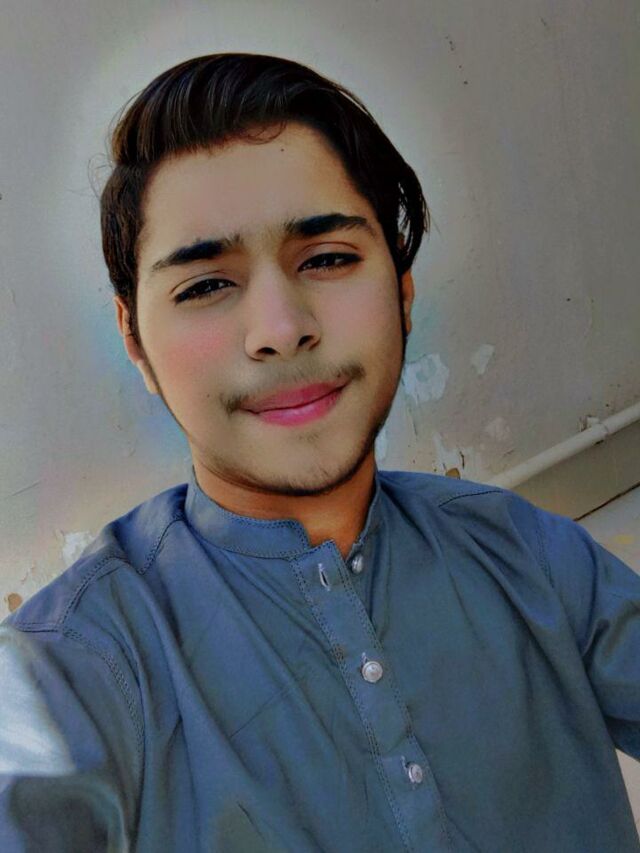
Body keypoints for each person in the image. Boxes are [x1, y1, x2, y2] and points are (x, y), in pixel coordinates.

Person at [1, 52, 639, 853]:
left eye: (328, 258)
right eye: (205, 285)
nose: (281, 328)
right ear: (134, 337)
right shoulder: (70, 671)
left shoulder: (527, 554)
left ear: (402, 290)